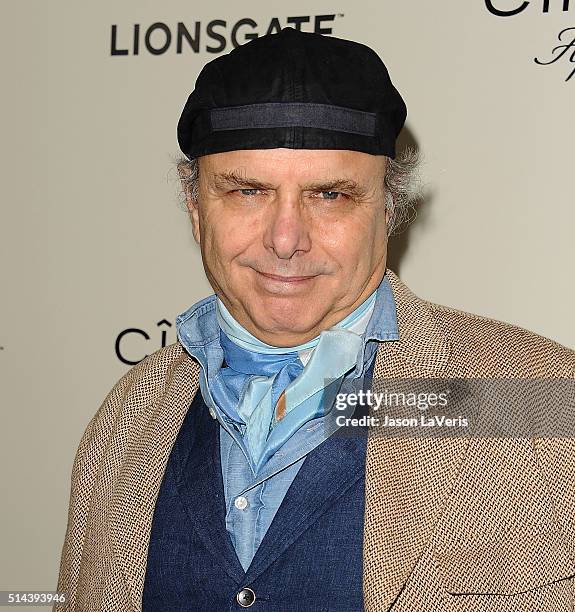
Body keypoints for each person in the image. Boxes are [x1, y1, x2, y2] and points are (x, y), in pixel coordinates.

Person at [54, 27, 575, 612]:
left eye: (330, 196)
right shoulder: (131, 417)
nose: (285, 239)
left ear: (389, 209)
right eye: (248, 191)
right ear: (196, 209)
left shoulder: (541, 400)